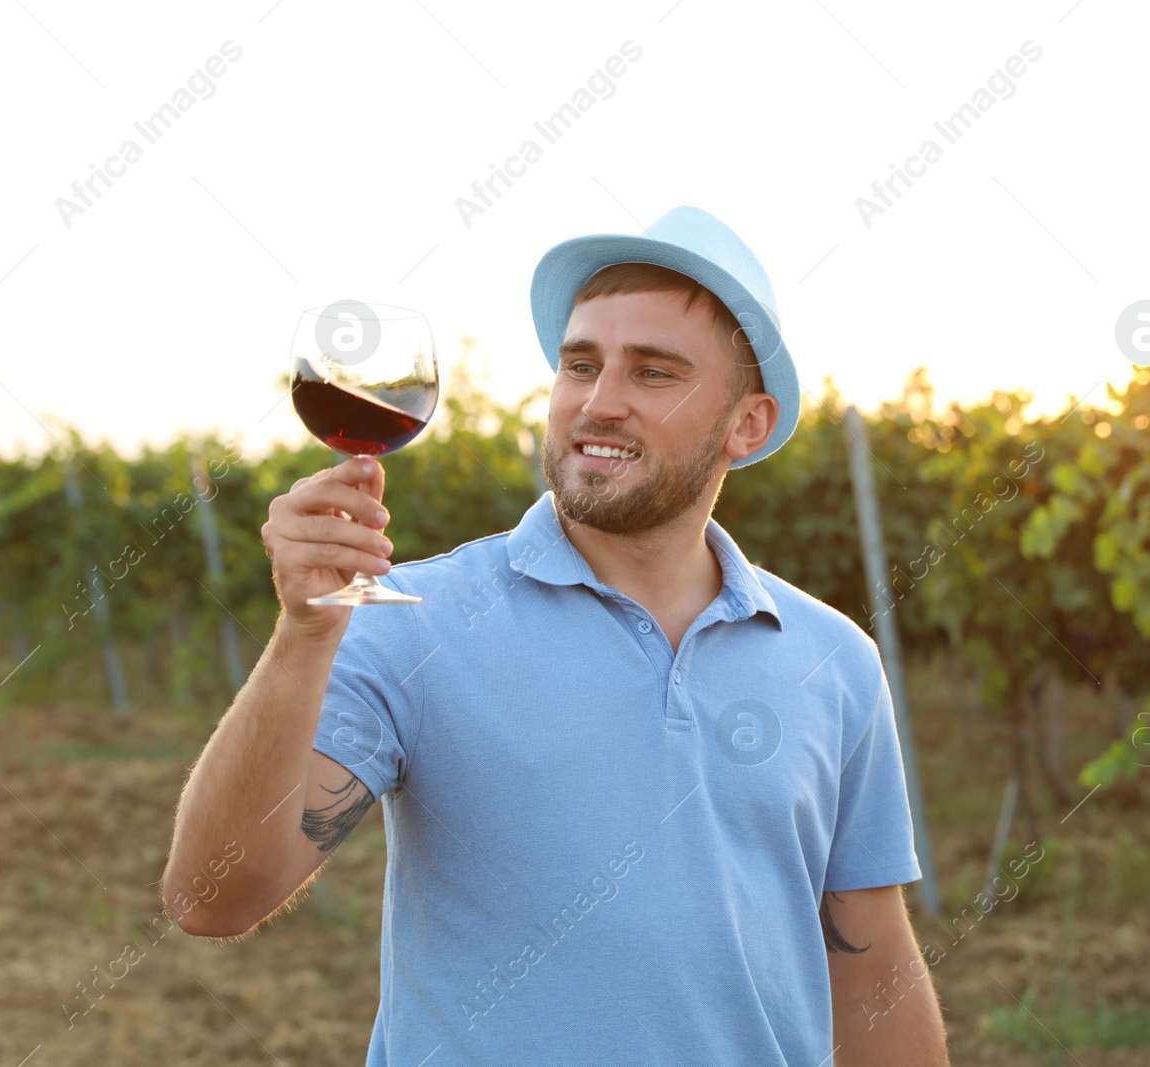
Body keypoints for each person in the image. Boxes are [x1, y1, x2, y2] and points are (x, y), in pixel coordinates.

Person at [162, 206, 950, 1065]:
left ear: (747, 424)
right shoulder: (408, 621)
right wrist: (303, 636)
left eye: (653, 373)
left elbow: (873, 973)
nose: (599, 401)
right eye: (581, 364)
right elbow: (212, 900)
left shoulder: (834, 658)